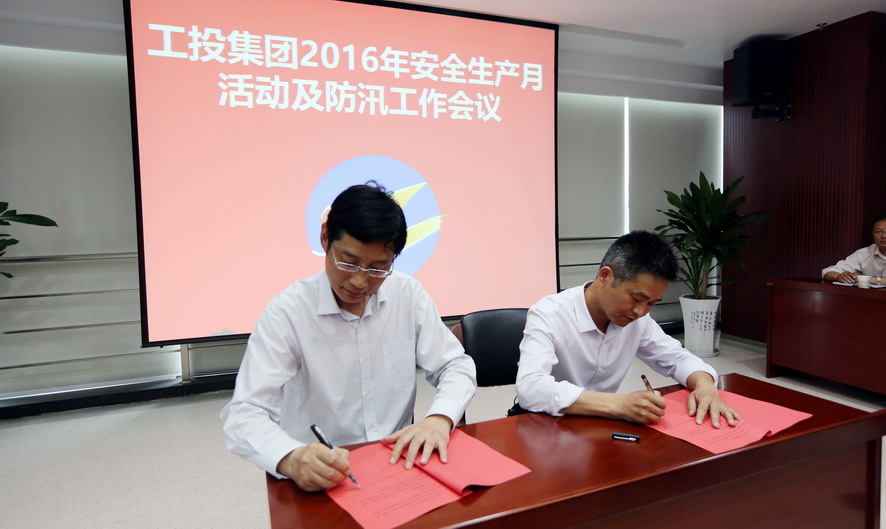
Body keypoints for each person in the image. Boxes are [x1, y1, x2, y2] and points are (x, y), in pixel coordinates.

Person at [221, 181, 477, 492]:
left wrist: (440, 418)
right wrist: (291, 457)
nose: (359, 281)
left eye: (378, 268)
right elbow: (245, 411)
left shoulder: (407, 294)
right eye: (348, 262)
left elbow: (454, 365)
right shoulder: (287, 313)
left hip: (397, 463)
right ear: (325, 237)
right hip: (322, 471)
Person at [516, 231, 740, 428]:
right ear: (605, 276)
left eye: (651, 303)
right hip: (547, 426)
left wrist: (705, 385)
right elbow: (531, 388)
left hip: (601, 427)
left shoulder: (638, 320)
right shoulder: (549, 313)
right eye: (636, 298)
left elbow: (677, 359)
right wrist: (618, 404)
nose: (640, 311)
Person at [821, 214, 886, 285]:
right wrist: (839, 276)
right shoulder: (864, 253)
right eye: (878, 231)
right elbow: (828, 271)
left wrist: (869, 279)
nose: (883, 236)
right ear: (872, 234)